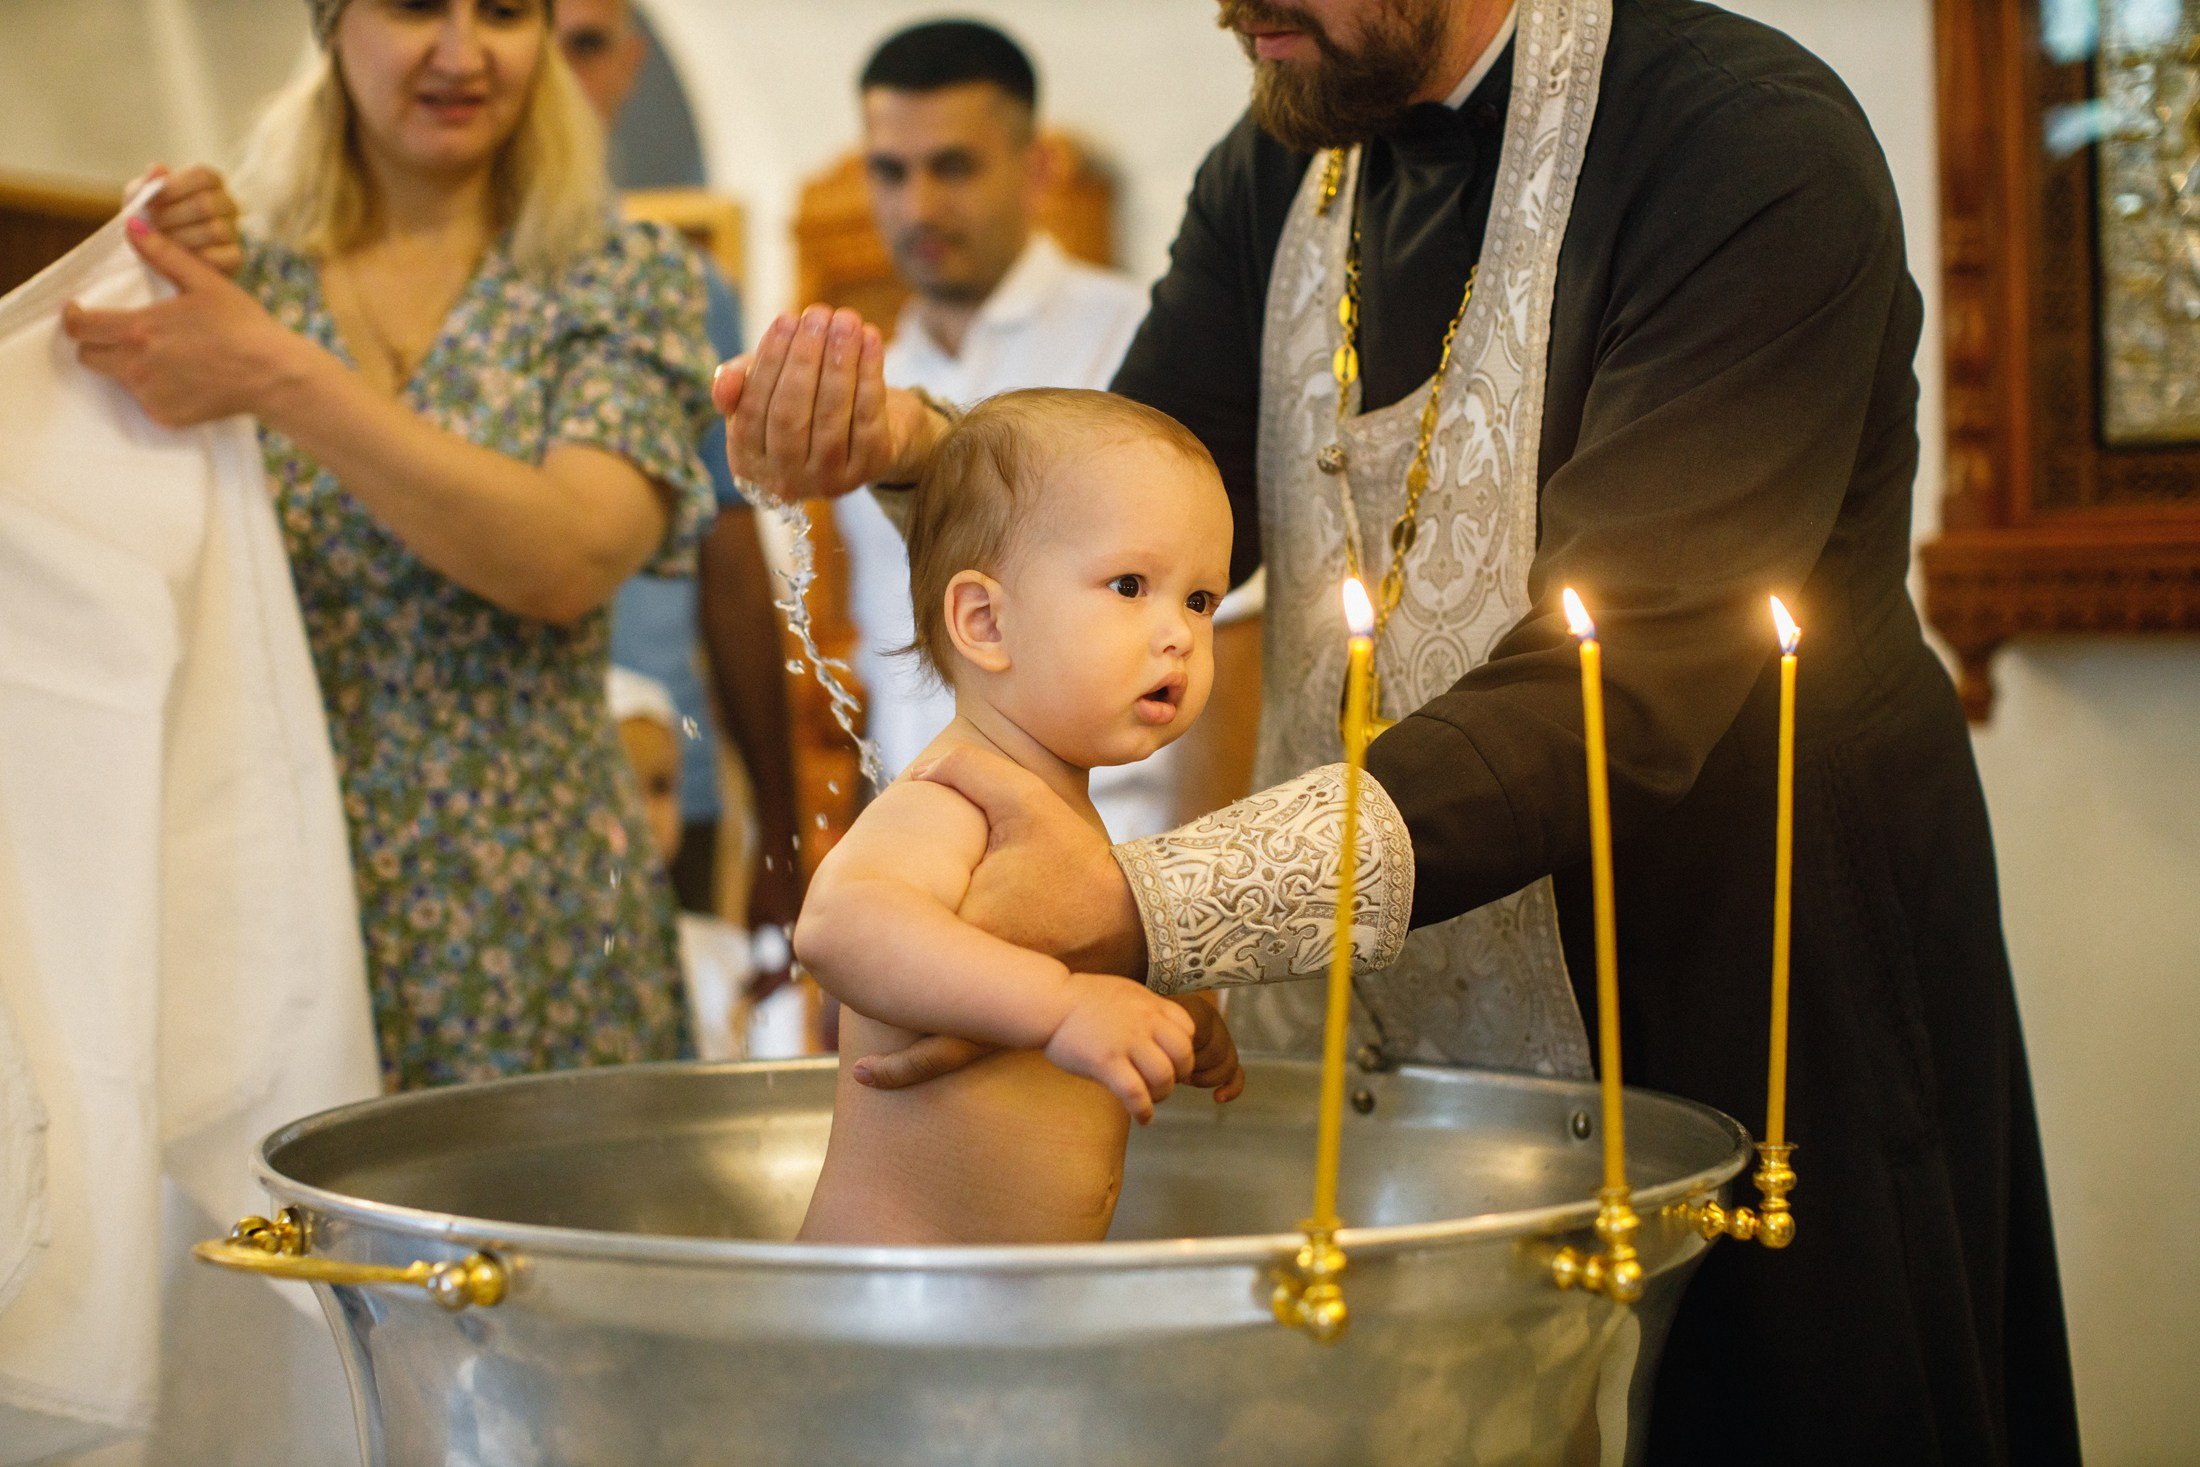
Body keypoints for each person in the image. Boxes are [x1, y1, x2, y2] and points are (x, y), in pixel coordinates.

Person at [717, 0, 2082, 1459]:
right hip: (1387, 1043)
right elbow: (1135, 506)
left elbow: (1629, 681)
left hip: (1734, 984)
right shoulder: (1285, 151)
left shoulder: (1743, 142)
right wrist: (915, 450)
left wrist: (1147, 909)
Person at [64, 0, 713, 1089]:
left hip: (536, 908)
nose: (462, 53)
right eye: (416, 5)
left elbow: (568, 559)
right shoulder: (236, 279)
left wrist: (281, 374)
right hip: (269, 894)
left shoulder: (617, 272)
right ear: (332, 24)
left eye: (503, 12)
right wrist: (139, 263)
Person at [795, 390, 1243, 1245]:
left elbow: (1070, 941)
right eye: (1130, 585)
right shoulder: (955, 795)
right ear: (986, 621)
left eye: (1201, 600)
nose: (1180, 634)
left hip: (1015, 1302)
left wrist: (1171, 1009)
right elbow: (838, 925)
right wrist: (1062, 1006)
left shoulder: (1059, 808)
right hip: (896, 1298)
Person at [841, 19, 1265, 838]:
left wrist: (1188, 890)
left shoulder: (1139, 340)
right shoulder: (872, 384)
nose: (918, 206)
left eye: (953, 167)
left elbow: (1230, 625)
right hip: (927, 851)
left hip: (1119, 846)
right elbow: (889, 664)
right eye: (891, 171)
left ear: (1036, 168)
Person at [557, 0, 803, 961]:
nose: (557, 77)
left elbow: (729, 559)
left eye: (586, 46)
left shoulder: (680, 289)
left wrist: (781, 829)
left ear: (629, 63)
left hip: (660, 777)